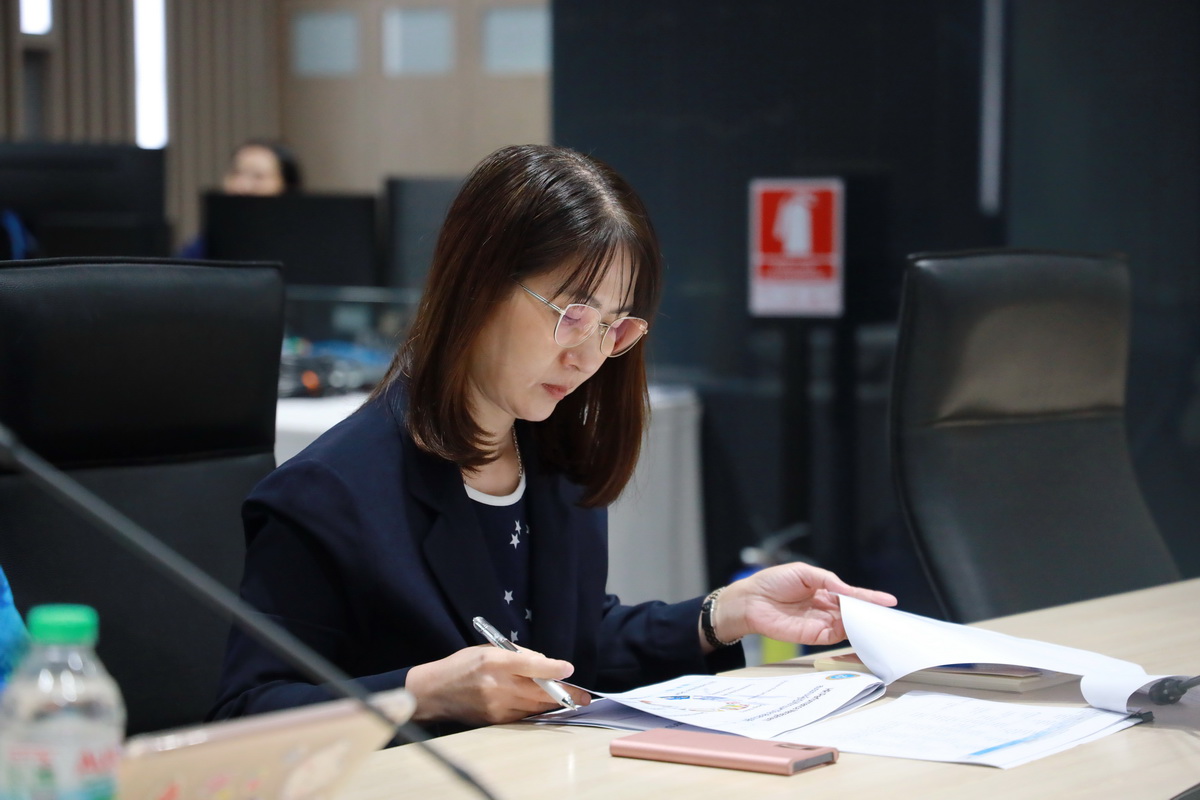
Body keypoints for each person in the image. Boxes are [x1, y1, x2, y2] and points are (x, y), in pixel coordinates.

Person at [210, 144, 896, 734]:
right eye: (572, 314)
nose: (589, 356)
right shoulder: (328, 494)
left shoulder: (552, 459)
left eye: (615, 327)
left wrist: (723, 614)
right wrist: (420, 693)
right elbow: (247, 712)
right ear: (478, 284)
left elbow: (569, 648)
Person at [178, 138, 303, 259]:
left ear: (286, 185)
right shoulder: (210, 241)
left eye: (258, 176)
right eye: (236, 173)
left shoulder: (301, 242)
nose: (242, 186)